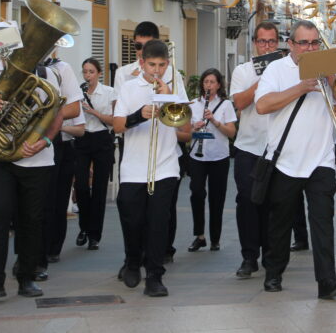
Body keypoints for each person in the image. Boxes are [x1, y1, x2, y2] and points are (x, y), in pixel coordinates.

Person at [255, 20, 336, 299]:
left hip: (321, 159)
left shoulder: (327, 66)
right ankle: (273, 273)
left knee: (323, 221)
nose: (309, 48)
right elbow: (262, 105)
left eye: (314, 43)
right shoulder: (277, 69)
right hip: (286, 160)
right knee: (280, 222)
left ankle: (327, 281)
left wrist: (333, 77)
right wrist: (301, 86)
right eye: (304, 43)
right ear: (292, 44)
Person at [0, 56, 71, 300]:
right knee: (0, 214)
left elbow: (57, 114)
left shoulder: (46, 75)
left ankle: (27, 278)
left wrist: (46, 141)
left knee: (31, 219)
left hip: (37, 160)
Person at [113, 40, 192, 297]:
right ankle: (132, 261)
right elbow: (117, 126)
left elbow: (186, 130)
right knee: (133, 222)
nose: (156, 71)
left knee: (159, 223)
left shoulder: (175, 87)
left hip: (165, 165)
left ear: (167, 64)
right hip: (133, 168)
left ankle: (155, 276)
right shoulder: (128, 87)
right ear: (142, 63)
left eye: (161, 65)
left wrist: (168, 97)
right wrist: (139, 115)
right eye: (151, 65)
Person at [229, 21, 279, 278]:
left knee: (274, 204)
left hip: (277, 149)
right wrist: (262, 79)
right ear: (255, 44)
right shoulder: (243, 71)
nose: (267, 46)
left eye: (271, 41)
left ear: (278, 43)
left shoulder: (286, 70)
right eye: (262, 42)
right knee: (247, 201)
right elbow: (239, 102)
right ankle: (249, 256)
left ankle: (272, 256)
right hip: (248, 146)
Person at [36, 56, 83, 276]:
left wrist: (54, 118)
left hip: (60, 144)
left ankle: (52, 247)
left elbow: (77, 115)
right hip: (32, 138)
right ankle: (33, 250)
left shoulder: (61, 68)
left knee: (56, 198)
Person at [186, 68, 236, 252]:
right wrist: (194, 127)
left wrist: (215, 121)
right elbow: (185, 131)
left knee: (217, 197)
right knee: (197, 192)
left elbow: (231, 133)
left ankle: (215, 237)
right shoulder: (193, 104)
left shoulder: (226, 105)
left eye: (212, 82)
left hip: (218, 156)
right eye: (206, 82)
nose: (208, 85)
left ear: (219, 85)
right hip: (197, 156)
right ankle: (199, 235)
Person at [74, 58, 117, 251]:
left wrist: (94, 112)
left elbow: (115, 121)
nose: (87, 75)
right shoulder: (78, 92)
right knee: (81, 185)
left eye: (91, 72)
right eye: (85, 72)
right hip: (83, 139)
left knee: (99, 189)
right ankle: (84, 226)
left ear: (99, 73)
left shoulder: (109, 92)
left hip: (102, 140)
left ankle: (94, 235)